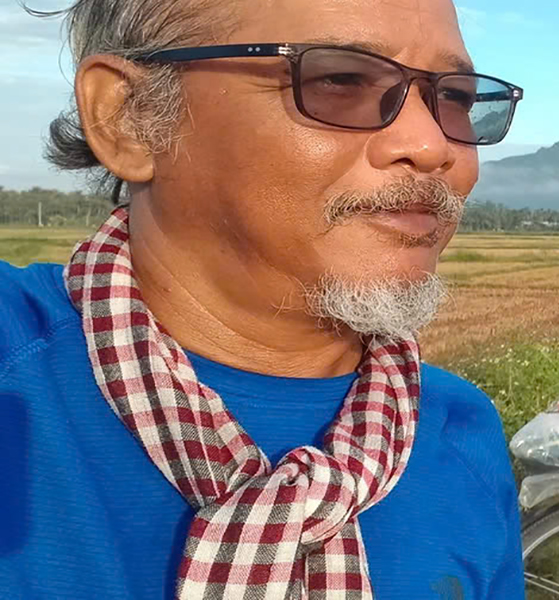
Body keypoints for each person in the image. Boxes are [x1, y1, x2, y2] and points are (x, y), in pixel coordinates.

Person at [0, 0, 526, 598]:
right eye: (340, 80)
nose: (433, 147)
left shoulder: (461, 435)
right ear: (130, 117)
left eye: (453, 96)